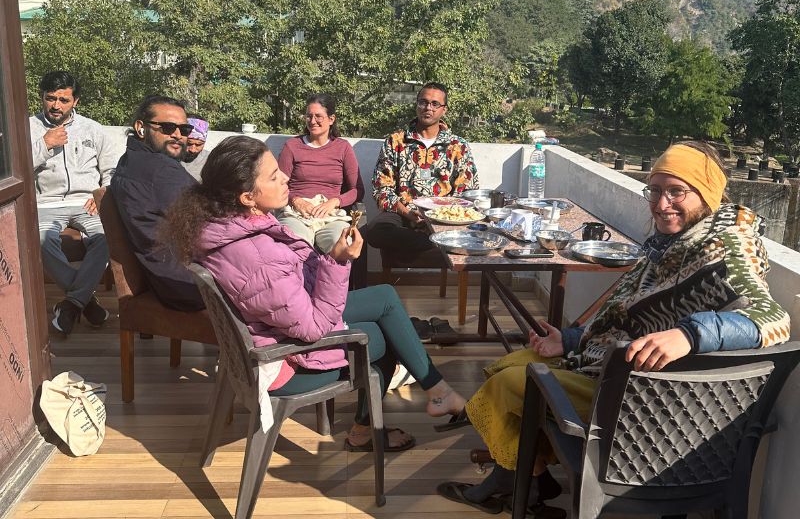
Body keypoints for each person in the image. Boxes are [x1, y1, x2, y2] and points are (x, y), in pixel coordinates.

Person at [437, 141, 791, 515]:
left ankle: (516, 479)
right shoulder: (672, 246)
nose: (661, 203)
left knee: (511, 381)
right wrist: (572, 341)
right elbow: (626, 315)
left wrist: (688, 335)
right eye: (654, 190)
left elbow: (771, 318)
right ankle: (529, 476)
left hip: (642, 403)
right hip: (622, 376)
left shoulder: (725, 246)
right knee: (511, 363)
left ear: (706, 194)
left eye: (676, 192)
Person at [164, 136, 466, 451]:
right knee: (388, 336)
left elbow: (289, 296)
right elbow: (311, 328)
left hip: (280, 327)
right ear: (246, 197)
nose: (286, 178)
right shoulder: (257, 257)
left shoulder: (229, 225)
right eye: (273, 176)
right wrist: (337, 261)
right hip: (286, 362)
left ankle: (437, 392)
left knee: (386, 298)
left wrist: (328, 259)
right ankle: (376, 426)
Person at [30, 71, 117, 334]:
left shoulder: (93, 129)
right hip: (46, 203)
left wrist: (101, 194)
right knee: (43, 242)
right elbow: (16, 171)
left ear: (75, 101)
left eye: (64, 100)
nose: (56, 105)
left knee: (108, 238)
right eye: (51, 98)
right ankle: (84, 302)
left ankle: (70, 305)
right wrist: (44, 144)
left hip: (86, 202)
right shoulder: (26, 128)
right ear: (42, 97)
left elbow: (112, 170)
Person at [109, 96, 205, 311]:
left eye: (184, 129)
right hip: (187, 283)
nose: (178, 135)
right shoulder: (160, 171)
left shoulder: (129, 159)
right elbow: (213, 219)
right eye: (168, 127)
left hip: (165, 275)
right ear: (141, 127)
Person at [368, 82, 478, 256]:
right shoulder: (396, 142)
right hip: (404, 214)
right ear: (417, 105)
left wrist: (439, 216)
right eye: (423, 102)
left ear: (444, 110)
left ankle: (433, 238)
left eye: (435, 104)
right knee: (375, 231)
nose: (428, 108)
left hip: (444, 218)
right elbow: (381, 189)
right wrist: (409, 213)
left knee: (473, 229)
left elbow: (467, 191)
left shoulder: (457, 146)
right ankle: (436, 242)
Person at [276, 93, 364, 253]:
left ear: (331, 119)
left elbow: (357, 190)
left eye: (318, 116)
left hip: (330, 215)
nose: (312, 121)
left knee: (341, 241)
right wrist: (295, 200)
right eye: (309, 116)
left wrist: (335, 201)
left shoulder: (342, 148)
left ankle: (333, 278)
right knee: (295, 242)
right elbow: (277, 186)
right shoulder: (292, 146)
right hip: (297, 214)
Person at [181, 117, 210, 181]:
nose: (193, 150)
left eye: (199, 144)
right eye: (189, 143)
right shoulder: (166, 156)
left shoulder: (211, 160)